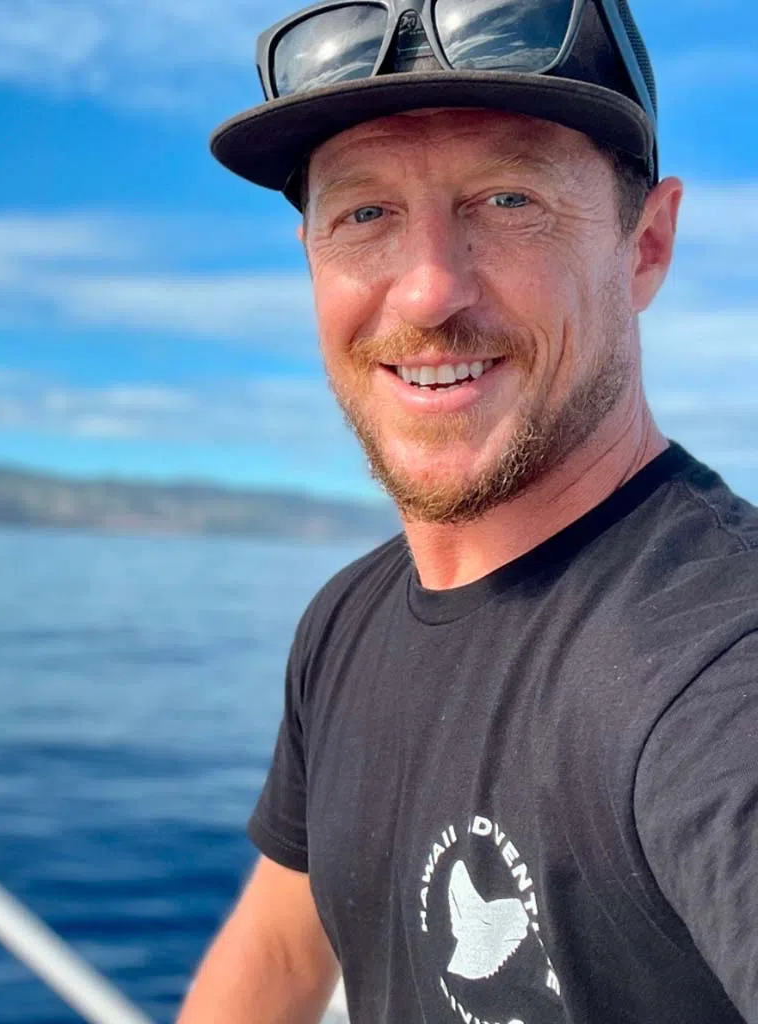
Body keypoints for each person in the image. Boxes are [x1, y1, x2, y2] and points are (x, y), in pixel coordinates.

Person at [179, 2, 758, 1022]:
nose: (427, 293)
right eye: (363, 213)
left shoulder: (714, 661)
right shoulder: (344, 622)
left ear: (647, 247)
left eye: (506, 198)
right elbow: (276, 947)